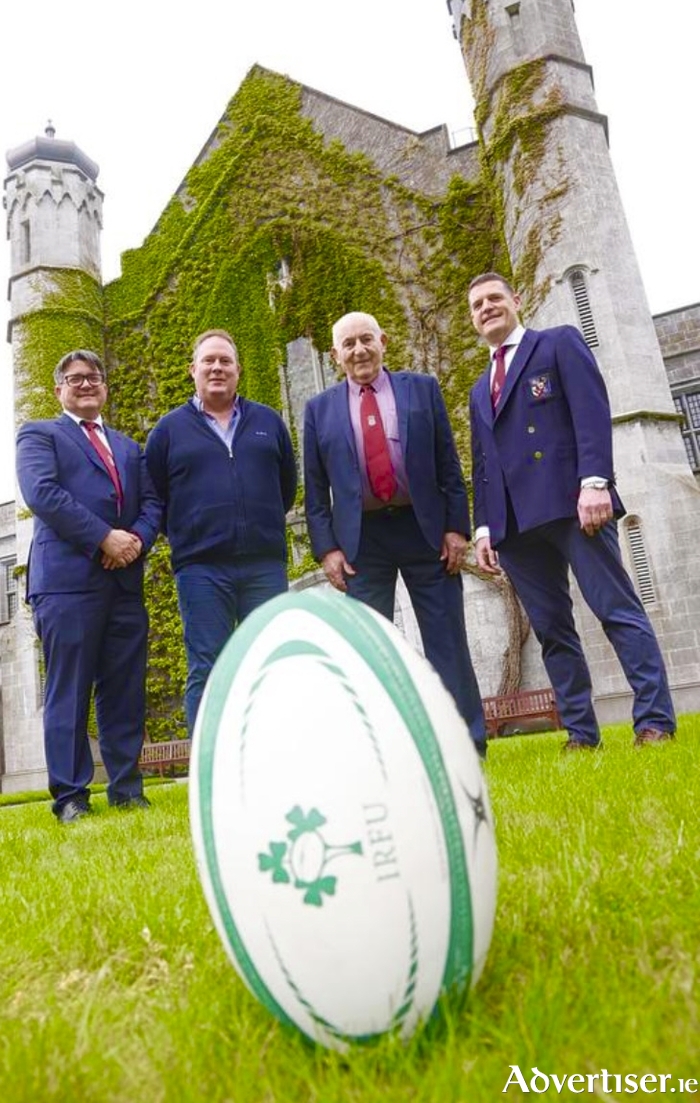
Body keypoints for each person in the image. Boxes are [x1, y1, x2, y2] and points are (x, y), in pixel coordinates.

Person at [467, 272, 676, 750]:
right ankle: (582, 734)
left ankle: (654, 721)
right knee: (552, 633)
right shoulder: (480, 388)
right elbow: (482, 464)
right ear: (474, 318)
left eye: (495, 298)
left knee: (617, 611)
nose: (487, 308)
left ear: (516, 301)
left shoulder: (558, 344)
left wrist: (596, 483)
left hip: (573, 505)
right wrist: (484, 528)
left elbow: (590, 412)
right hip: (515, 527)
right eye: (477, 305)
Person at [303, 310, 487, 758]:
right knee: (373, 649)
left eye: (366, 339)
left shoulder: (421, 389)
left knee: (447, 639)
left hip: (425, 530)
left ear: (383, 341)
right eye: (348, 344)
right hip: (362, 541)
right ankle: (388, 752)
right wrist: (326, 549)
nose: (359, 350)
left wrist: (455, 528)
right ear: (335, 355)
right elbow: (314, 488)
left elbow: (448, 465)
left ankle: (466, 744)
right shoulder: (319, 409)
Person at [16, 350, 162, 823]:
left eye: (93, 378)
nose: (85, 384)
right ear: (59, 389)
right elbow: (43, 495)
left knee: (124, 692)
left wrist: (135, 541)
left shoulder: (128, 447)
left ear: (104, 387)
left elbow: (153, 503)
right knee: (69, 690)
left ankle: (127, 789)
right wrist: (103, 536)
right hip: (66, 585)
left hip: (123, 583)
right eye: (74, 379)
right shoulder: (39, 435)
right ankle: (72, 797)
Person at [145, 329, 297, 735]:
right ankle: (211, 770)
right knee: (207, 667)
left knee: (269, 662)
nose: (217, 367)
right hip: (200, 570)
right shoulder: (168, 431)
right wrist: (189, 534)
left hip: (264, 566)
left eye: (225, 361)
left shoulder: (268, 421)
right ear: (193, 370)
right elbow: (154, 497)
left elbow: (286, 488)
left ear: (237, 370)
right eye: (208, 361)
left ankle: (272, 760)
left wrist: (257, 523)